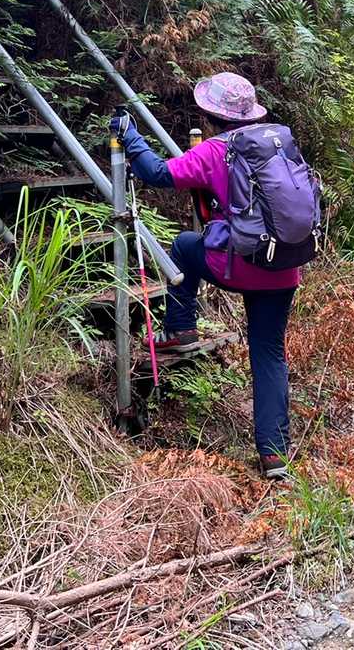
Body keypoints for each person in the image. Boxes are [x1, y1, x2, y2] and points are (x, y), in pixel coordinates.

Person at [110, 72, 300, 481]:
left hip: (240, 266)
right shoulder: (278, 141)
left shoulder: (215, 150)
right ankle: (274, 456)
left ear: (211, 116)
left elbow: (158, 174)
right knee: (269, 353)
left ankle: (180, 328)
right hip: (284, 266)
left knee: (183, 245)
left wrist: (130, 136)